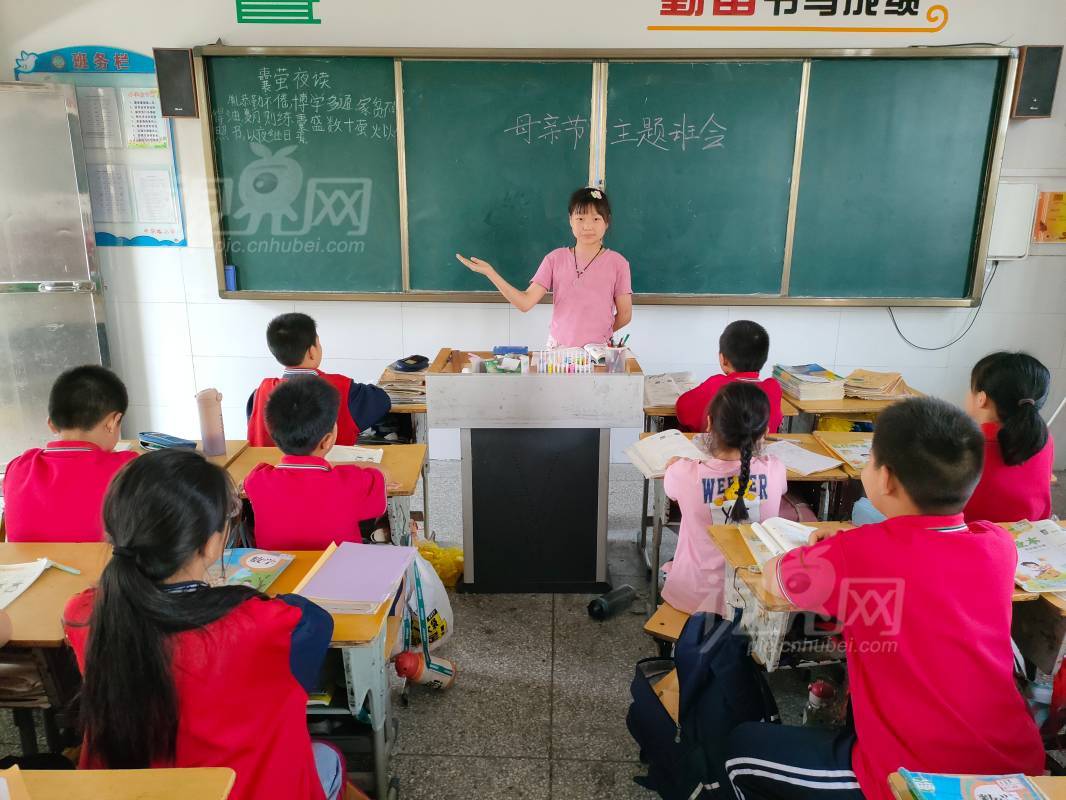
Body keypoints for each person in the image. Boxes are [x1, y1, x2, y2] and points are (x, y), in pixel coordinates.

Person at [729, 398, 1044, 800]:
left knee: (740, 752)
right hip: (1017, 771)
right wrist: (850, 544)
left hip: (915, 781)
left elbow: (776, 579)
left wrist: (832, 550)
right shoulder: (998, 545)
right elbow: (923, 557)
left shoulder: (855, 555)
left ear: (887, 478)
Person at [63, 449, 343, 800]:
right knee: (327, 758)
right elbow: (316, 623)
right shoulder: (260, 625)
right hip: (242, 789)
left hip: (131, 791)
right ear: (211, 544)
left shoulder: (86, 614)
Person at [662, 382, 786, 615]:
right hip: (753, 597)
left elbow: (670, 490)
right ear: (765, 432)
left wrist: (675, 465)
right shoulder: (775, 469)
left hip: (694, 595)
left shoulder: (685, 473)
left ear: (710, 423)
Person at [456, 187, 632, 347]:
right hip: (559, 353)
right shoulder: (554, 259)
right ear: (570, 220)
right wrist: (491, 273)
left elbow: (625, 315)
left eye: (596, 219)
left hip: (598, 351)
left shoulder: (618, 264)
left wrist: (600, 335)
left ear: (607, 222)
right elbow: (525, 303)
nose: (587, 226)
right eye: (580, 218)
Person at [245, 376, 388, 550]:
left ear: (274, 436)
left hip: (280, 567)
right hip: (339, 566)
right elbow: (380, 478)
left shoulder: (257, 480)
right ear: (327, 440)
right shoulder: (352, 481)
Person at [3, 365, 136, 542]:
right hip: (100, 561)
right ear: (112, 422)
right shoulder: (129, 469)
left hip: (30, 561)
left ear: (51, 424)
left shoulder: (18, 467)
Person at [247, 312, 390, 447]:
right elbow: (382, 401)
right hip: (331, 465)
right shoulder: (341, 388)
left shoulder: (259, 394)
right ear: (311, 351)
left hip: (274, 466)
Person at [964, 351, 1055, 523]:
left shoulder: (964, 444)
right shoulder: (1043, 438)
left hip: (973, 534)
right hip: (1030, 530)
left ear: (981, 398)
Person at [675, 320, 783, 434]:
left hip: (717, 446)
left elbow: (682, 408)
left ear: (723, 359)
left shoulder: (715, 384)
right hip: (761, 446)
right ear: (764, 359)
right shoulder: (773, 388)